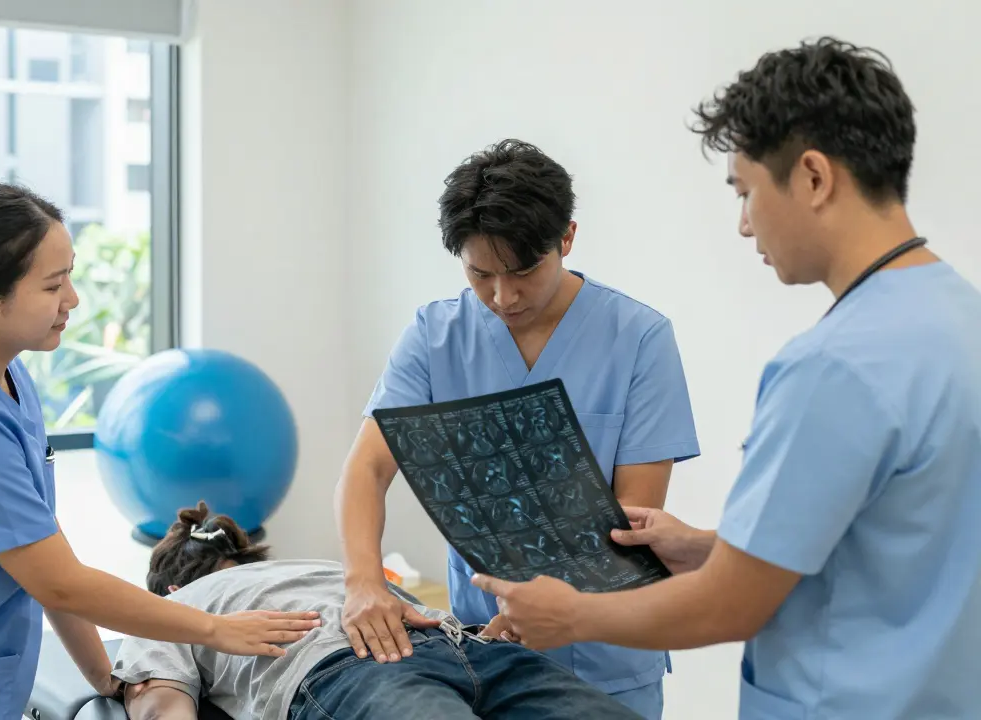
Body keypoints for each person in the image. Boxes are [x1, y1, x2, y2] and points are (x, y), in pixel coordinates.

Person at [472, 37, 981, 719]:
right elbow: (902, 540)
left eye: (746, 192)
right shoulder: (961, 320)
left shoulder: (833, 366)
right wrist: (711, 545)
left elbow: (732, 605)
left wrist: (572, 616)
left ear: (812, 177)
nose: (745, 226)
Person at [0, 184, 320, 720]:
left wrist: (106, 675)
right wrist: (216, 628)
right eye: (53, 285)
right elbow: (59, 582)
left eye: (70, 275)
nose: (72, 299)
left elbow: (44, 548)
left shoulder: (6, 376)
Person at [335, 138, 701, 718]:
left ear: (567, 239)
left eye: (523, 272)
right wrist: (363, 582)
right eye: (481, 274)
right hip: (483, 653)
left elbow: (637, 519)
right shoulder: (435, 337)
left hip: (606, 655)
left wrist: (548, 608)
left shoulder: (639, 339)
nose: (503, 297)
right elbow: (368, 466)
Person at [111, 502, 646, 720]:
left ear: (171, 584)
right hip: (359, 668)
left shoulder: (171, 604)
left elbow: (159, 702)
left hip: (449, 649)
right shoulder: (185, 609)